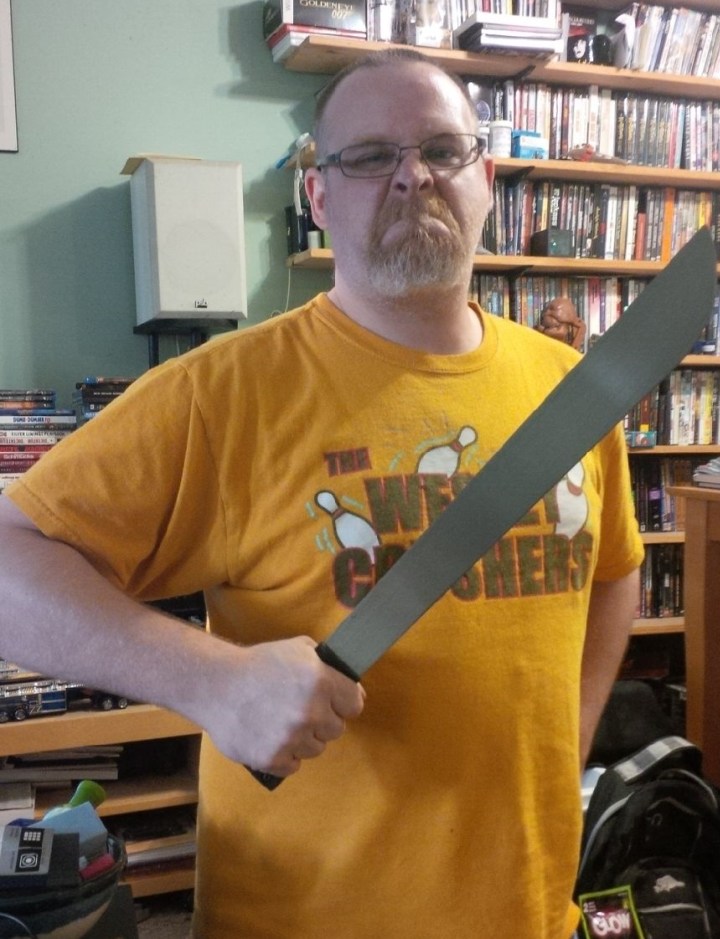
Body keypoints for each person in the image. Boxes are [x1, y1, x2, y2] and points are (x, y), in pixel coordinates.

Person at [0, 49, 643, 938]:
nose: (414, 175)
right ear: (318, 197)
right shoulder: (222, 394)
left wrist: (570, 733)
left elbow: (615, 570)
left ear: (487, 179)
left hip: (529, 909)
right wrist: (209, 679)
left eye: (443, 149)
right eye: (371, 156)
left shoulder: (574, 389)